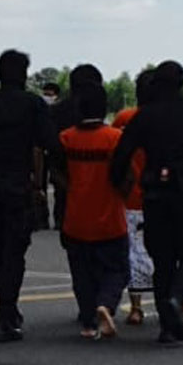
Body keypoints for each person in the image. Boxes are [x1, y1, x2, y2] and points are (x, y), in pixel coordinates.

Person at [0, 49, 60, 343]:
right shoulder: (33, 104)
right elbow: (50, 142)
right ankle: (6, 310)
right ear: (24, 75)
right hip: (20, 186)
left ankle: (5, 307)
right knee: (15, 251)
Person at [110, 60, 183, 345]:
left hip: (154, 194)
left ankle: (167, 325)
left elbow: (122, 154)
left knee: (162, 258)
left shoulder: (144, 117)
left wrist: (119, 183)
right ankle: (177, 299)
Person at [60, 82, 133, 340]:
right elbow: (126, 176)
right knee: (118, 269)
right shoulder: (115, 138)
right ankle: (106, 304)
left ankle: (89, 322)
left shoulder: (66, 138)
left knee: (82, 275)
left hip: (76, 219)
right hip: (109, 218)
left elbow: (58, 173)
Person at [111, 70, 155, 326]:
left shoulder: (123, 119)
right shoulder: (163, 119)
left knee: (133, 252)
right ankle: (180, 301)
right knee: (167, 250)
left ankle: (136, 308)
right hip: (158, 194)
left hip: (129, 198)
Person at [48, 64, 104, 229]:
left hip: (63, 171)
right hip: (96, 176)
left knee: (64, 207)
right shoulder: (97, 111)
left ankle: (61, 221)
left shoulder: (55, 111)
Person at [34, 82, 62, 230]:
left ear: (56, 96)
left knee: (58, 184)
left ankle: (59, 218)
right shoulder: (38, 110)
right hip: (41, 150)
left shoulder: (60, 111)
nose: (47, 97)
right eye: (45, 94)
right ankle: (41, 218)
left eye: (50, 95)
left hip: (55, 151)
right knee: (39, 184)